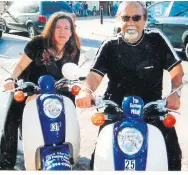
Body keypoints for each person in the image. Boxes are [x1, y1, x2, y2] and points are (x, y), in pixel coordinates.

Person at [75, 1, 184, 171]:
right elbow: (94, 77)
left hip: (152, 108)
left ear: (145, 20)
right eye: (126, 18)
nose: (131, 22)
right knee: (99, 159)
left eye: (136, 17)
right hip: (116, 109)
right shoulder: (110, 45)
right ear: (118, 20)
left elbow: (177, 71)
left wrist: (175, 94)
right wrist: (85, 91)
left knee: (172, 153)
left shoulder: (156, 39)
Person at [0, 12, 81, 170]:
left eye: (67, 28)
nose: (62, 31)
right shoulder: (38, 43)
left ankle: (65, 151)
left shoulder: (73, 49)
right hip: (29, 85)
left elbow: (71, 73)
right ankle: (5, 161)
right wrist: (11, 79)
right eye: (58, 27)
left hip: (56, 88)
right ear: (51, 29)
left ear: (72, 31)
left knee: (69, 111)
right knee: (12, 118)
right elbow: (21, 66)